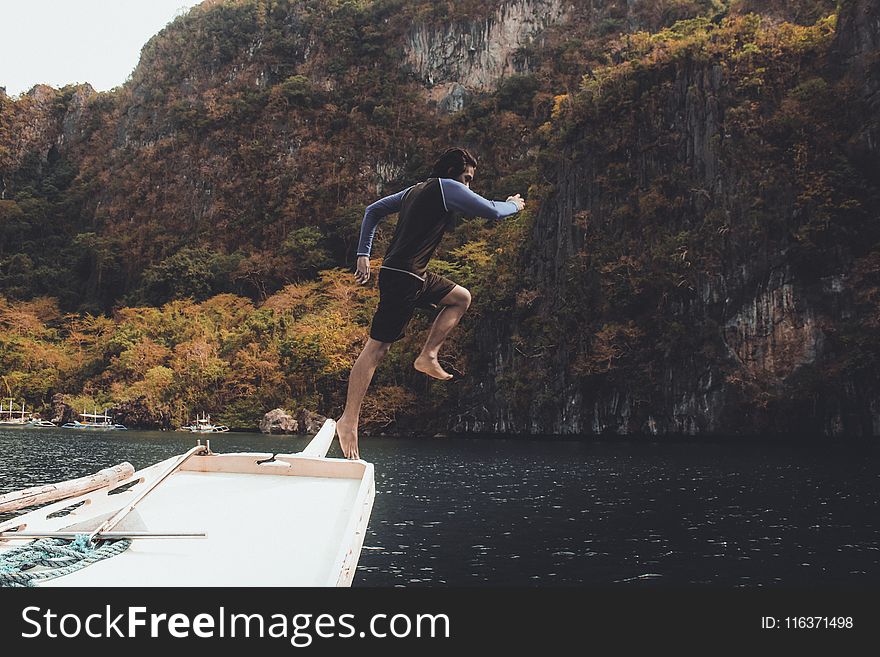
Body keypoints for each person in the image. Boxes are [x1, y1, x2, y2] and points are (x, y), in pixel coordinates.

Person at [335, 147, 525, 459]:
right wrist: (514, 205)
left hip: (412, 275)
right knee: (376, 349)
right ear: (452, 173)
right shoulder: (446, 188)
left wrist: (363, 254)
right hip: (403, 278)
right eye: (466, 179)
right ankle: (349, 420)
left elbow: (373, 210)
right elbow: (492, 210)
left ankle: (428, 355)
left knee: (461, 298)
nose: (468, 187)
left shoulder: (414, 190)